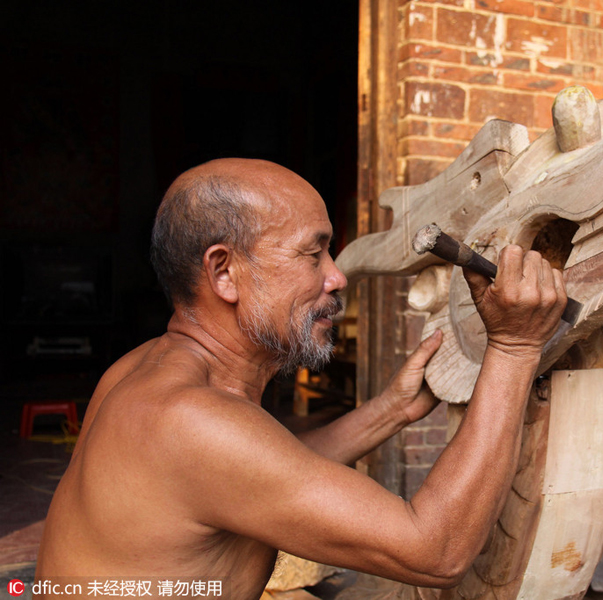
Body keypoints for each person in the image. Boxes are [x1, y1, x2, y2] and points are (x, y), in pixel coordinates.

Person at [35, 158, 568, 599]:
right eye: (313, 255)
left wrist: (392, 409)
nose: (336, 276)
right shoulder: (189, 420)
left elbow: (259, 468)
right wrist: (515, 347)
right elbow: (437, 550)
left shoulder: (142, 368)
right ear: (224, 272)